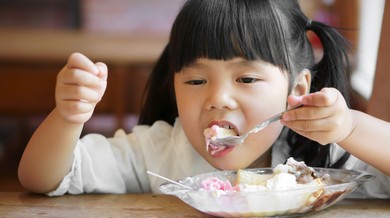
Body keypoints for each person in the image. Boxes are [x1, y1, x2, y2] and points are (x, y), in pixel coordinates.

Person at [18, 0, 390, 198]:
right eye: (196, 80)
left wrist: (352, 127)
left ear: (297, 88)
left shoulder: (325, 157)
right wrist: (68, 117)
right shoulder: (156, 154)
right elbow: (41, 178)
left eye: (245, 78)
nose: (219, 98)